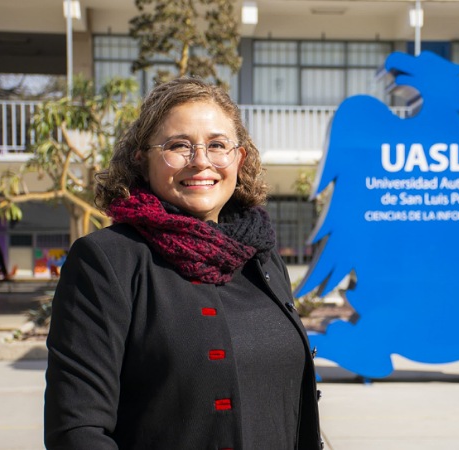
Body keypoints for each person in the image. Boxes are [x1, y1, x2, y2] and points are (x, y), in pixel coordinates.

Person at [44, 77, 322, 449]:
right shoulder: (107, 261)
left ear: (239, 159)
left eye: (217, 145)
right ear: (142, 160)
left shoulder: (263, 256)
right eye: (179, 146)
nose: (201, 161)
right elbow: (77, 430)